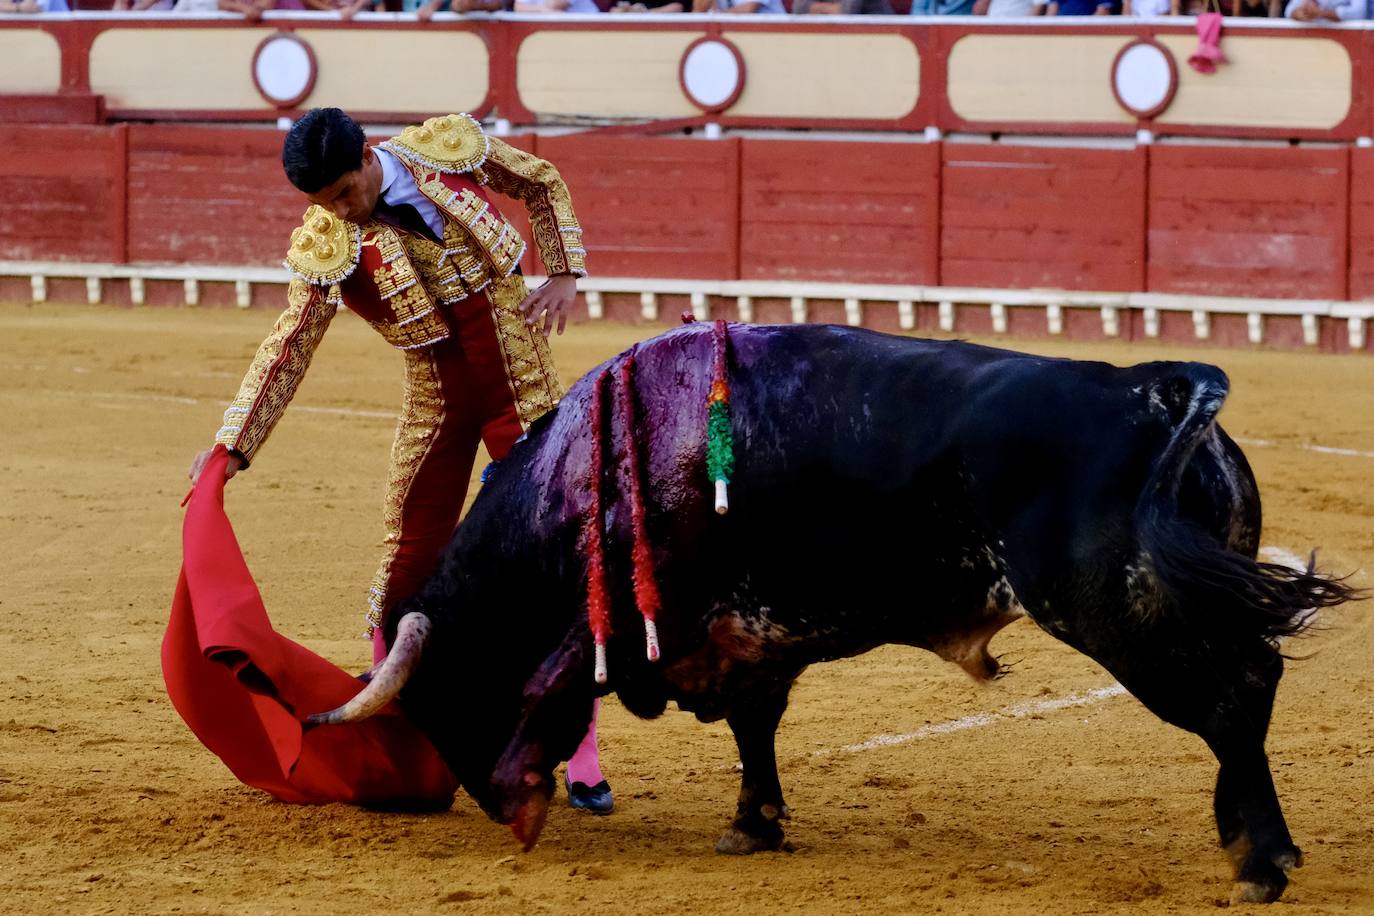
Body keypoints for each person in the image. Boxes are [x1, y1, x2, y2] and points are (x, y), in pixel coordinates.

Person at [187, 108, 614, 815]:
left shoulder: (443, 152)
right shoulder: (329, 240)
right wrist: (235, 444)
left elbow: (539, 180)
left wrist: (565, 271)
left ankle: (584, 755)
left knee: (559, 558)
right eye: (323, 205)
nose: (339, 214)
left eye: (343, 195)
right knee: (405, 558)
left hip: (523, 387)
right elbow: (289, 343)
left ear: (364, 158)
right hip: (437, 395)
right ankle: (398, 725)